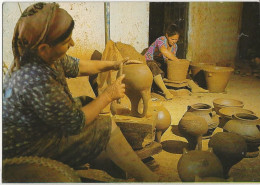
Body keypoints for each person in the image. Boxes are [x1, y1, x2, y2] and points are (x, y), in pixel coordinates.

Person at [2, 2, 159, 182]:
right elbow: (77, 122)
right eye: (66, 41)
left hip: (40, 130)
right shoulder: (36, 79)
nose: (73, 43)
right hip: (29, 149)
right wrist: (108, 95)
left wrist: (114, 64)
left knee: (85, 102)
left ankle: (112, 167)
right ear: (44, 48)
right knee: (104, 126)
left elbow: (80, 66)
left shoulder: (46, 57)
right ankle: (148, 179)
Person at [145, 24, 208, 100]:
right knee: (153, 65)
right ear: (167, 35)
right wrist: (178, 61)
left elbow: (170, 60)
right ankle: (166, 92)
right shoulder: (161, 40)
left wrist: (178, 66)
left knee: (180, 68)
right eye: (172, 39)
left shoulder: (175, 47)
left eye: (176, 39)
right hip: (149, 61)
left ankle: (194, 87)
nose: (174, 41)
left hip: (161, 62)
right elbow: (163, 50)